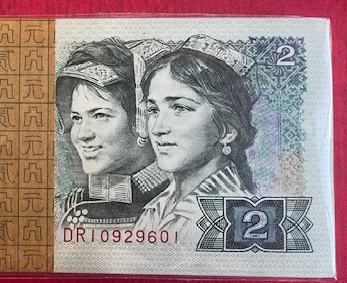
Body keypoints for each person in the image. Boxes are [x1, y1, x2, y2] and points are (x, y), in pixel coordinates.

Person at [134, 35, 257, 245]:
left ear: (226, 129)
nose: (157, 128)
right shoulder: (157, 207)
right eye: (153, 110)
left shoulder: (236, 217)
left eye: (180, 108)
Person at [55, 38, 170, 231]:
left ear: (142, 119)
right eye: (77, 118)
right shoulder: (66, 209)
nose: (82, 134)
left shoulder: (182, 204)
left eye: (100, 115)